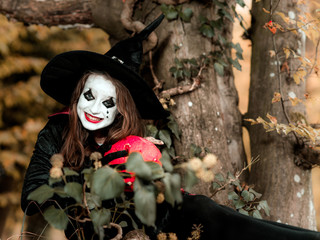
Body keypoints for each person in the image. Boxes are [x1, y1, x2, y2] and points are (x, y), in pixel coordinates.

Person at [21, 14, 320, 240]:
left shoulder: (133, 143)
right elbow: (32, 194)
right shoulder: (57, 132)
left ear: (121, 109)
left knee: (208, 212)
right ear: (77, 95)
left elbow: (159, 206)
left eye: (108, 102)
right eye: (89, 96)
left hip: (155, 226)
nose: (96, 109)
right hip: (99, 232)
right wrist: (92, 186)